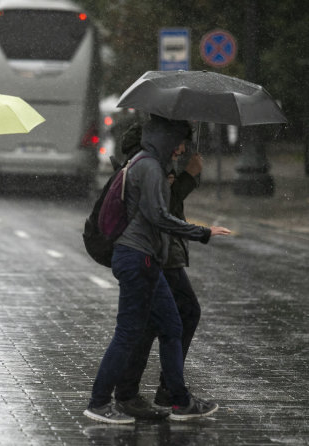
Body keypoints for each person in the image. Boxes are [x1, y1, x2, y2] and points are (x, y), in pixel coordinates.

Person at [83, 115, 231, 424]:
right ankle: (99, 403)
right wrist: (202, 232)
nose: (180, 150)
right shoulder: (148, 166)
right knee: (127, 333)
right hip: (138, 260)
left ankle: (180, 402)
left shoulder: (149, 165)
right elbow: (159, 217)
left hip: (147, 260)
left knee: (173, 326)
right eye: (178, 143)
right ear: (166, 139)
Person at [114, 149, 208, 419]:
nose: (180, 145)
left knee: (155, 321)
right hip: (155, 250)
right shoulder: (152, 154)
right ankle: (162, 393)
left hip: (161, 249)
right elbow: (161, 210)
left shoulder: (158, 149)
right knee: (179, 314)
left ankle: (141, 392)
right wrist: (187, 177)